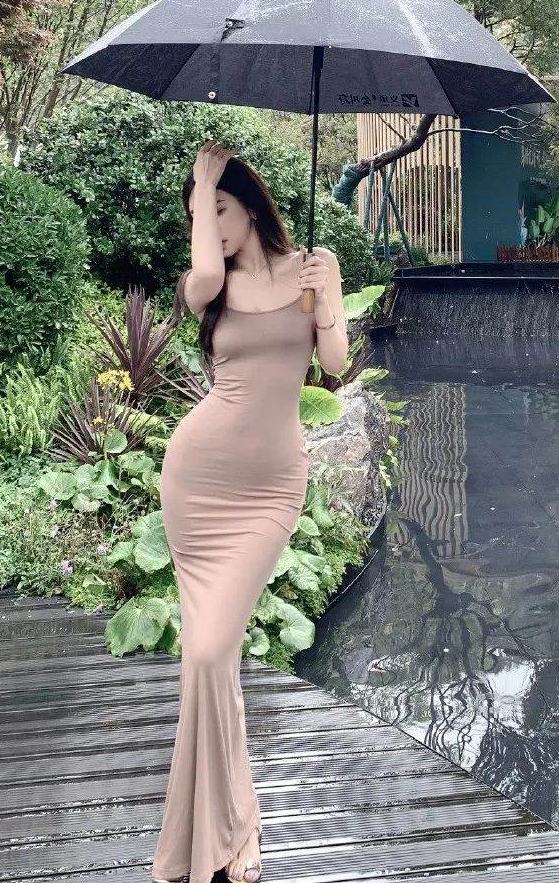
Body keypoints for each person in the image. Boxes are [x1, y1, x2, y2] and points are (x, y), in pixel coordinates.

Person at [151, 140, 349, 883]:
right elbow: (203, 275)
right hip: (199, 481)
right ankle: (233, 829)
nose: (208, 223)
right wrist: (204, 181)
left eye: (220, 208)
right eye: (198, 215)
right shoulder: (211, 284)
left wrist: (328, 297)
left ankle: (226, 828)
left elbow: (334, 364)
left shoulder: (310, 272)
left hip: (269, 489)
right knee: (210, 657)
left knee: (210, 653)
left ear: (253, 206)